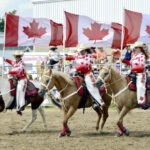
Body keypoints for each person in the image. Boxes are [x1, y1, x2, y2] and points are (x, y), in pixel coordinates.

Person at [66, 44, 106, 108]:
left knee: (91, 85)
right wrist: (66, 57)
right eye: (80, 50)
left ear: (84, 50)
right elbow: (72, 57)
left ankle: (96, 101)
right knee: (66, 80)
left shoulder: (89, 56)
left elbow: (85, 65)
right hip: (77, 73)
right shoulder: (78, 54)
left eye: (81, 50)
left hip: (87, 73)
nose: (80, 51)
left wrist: (75, 69)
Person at [122, 42, 149, 109]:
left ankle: (141, 102)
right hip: (133, 73)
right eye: (134, 48)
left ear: (140, 48)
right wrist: (123, 61)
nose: (134, 49)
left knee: (140, 86)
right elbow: (130, 63)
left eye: (136, 47)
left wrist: (132, 69)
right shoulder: (134, 56)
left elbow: (141, 67)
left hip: (140, 74)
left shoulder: (142, 56)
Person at [4, 51, 27, 115]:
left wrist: (9, 72)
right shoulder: (14, 62)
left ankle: (22, 105)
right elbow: (10, 61)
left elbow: (17, 71)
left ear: (20, 57)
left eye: (18, 56)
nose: (17, 57)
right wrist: (4, 59)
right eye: (16, 56)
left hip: (22, 79)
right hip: (17, 79)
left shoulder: (21, 64)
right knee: (17, 92)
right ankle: (17, 106)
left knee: (20, 90)